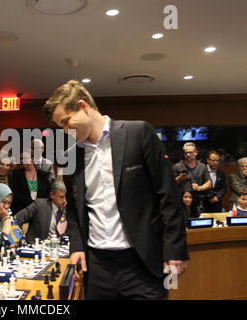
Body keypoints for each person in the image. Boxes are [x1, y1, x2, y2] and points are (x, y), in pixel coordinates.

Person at [43, 79, 188, 300]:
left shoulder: (138, 133)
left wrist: (174, 249)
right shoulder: (71, 154)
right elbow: (73, 209)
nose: (65, 130)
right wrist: (77, 246)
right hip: (98, 266)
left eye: (66, 121)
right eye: (60, 126)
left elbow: (167, 194)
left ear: (83, 106)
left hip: (143, 262)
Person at [173, 142, 211, 211]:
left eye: (190, 152)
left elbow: (209, 183)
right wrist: (179, 178)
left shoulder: (202, 166)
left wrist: (200, 188)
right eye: (186, 153)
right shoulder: (177, 166)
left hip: (198, 201)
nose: (188, 155)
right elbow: (170, 184)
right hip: (181, 202)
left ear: (196, 152)